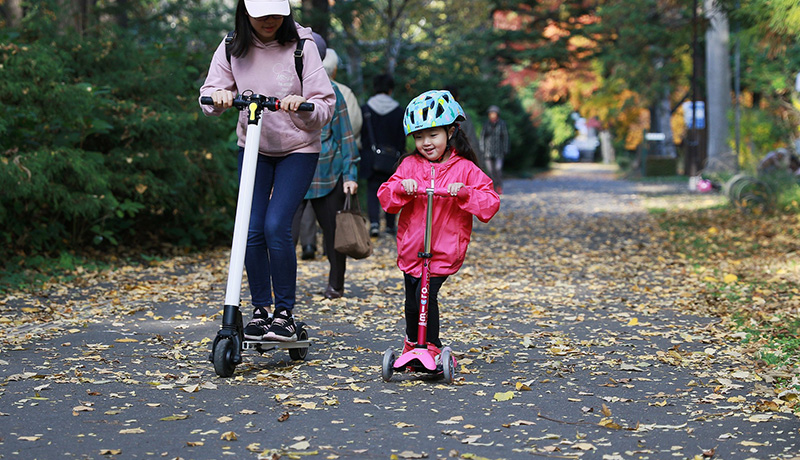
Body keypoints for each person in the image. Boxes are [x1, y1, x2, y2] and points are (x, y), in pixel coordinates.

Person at [199, 0, 336, 342]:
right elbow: (208, 95)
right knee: (250, 228)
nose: (271, 21)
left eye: (277, 13)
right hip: (254, 148)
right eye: (262, 15)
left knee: (276, 225)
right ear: (246, 13)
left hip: (298, 149)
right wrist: (219, 98)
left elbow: (325, 105)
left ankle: (285, 313)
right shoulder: (232, 45)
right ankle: (261, 311)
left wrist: (301, 107)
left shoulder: (303, 47)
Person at [377, 90, 500, 359]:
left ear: (451, 131)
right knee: (412, 301)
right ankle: (413, 344)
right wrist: (400, 187)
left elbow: (490, 202)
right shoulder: (409, 165)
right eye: (419, 137)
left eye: (433, 135)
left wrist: (466, 193)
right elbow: (386, 198)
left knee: (427, 296)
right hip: (412, 248)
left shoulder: (465, 169)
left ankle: (430, 345)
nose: (426, 142)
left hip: (443, 249)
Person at [291, 32, 360, 300]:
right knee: (284, 232)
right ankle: (282, 288)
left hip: (327, 172)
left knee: (334, 233)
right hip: (292, 170)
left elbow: (346, 136)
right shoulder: (285, 87)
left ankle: (336, 284)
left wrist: (350, 174)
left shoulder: (333, 93)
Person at [361, 74, 405, 237]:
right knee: (392, 190)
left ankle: (374, 223)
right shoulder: (399, 111)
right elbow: (402, 137)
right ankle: (390, 225)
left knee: (373, 190)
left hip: (370, 157)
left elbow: (361, 134)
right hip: (392, 158)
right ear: (390, 89)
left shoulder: (365, 109)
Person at [479, 105, 509, 194]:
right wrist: (482, 149)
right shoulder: (486, 124)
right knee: (490, 171)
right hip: (488, 152)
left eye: (494, 113)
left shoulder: (502, 124)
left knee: (498, 169)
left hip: (499, 151)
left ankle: (499, 186)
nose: (492, 115)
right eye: (490, 113)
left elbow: (505, 137)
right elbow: (482, 137)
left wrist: (505, 149)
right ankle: (493, 187)